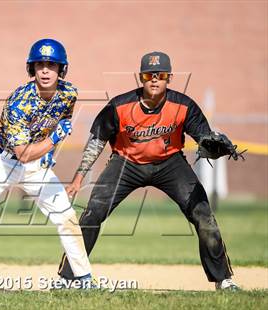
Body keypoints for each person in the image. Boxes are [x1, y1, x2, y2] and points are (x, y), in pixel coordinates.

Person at [57, 51, 240, 291]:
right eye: (148, 75)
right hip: (126, 163)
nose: (154, 79)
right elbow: (97, 141)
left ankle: (223, 279)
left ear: (169, 78)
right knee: (93, 213)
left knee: (203, 214)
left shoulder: (183, 105)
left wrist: (212, 143)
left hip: (170, 164)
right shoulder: (120, 106)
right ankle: (69, 278)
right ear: (141, 78)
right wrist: (79, 177)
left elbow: (203, 135)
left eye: (161, 75)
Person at [0, 38, 94, 289]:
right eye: (40, 64)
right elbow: (23, 154)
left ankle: (84, 279)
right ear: (31, 69)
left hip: (35, 163)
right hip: (1, 161)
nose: (45, 70)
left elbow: (59, 120)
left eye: (52, 64)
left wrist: (49, 147)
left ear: (62, 69)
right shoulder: (19, 102)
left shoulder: (70, 93)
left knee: (66, 215)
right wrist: (54, 139)